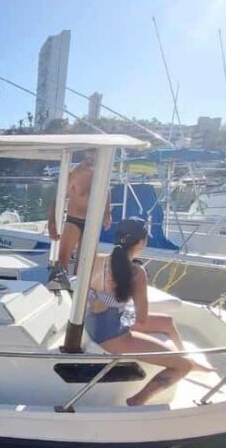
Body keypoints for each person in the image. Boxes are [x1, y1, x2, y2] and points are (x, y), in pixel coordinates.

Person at [85, 217, 210, 406]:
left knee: (166, 322)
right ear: (141, 242)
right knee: (183, 367)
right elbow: (142, 319)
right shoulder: (136, 272)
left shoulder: (98, 260)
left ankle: (184, 355)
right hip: (111, 336)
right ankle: (138, 400)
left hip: (96, 323)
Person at [48, 154, 112, 282]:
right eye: (90, 155)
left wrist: (107, 212)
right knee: (62, 261)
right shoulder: (74, 175)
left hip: (92, 222)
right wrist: (52, 222)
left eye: (95, 155)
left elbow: (107, 190)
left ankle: (77, 294)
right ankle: (57, 289)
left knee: (84, 265)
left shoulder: (100, 175)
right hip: (74, 220)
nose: (92, 159)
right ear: (85, 157)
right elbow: (58, 198)